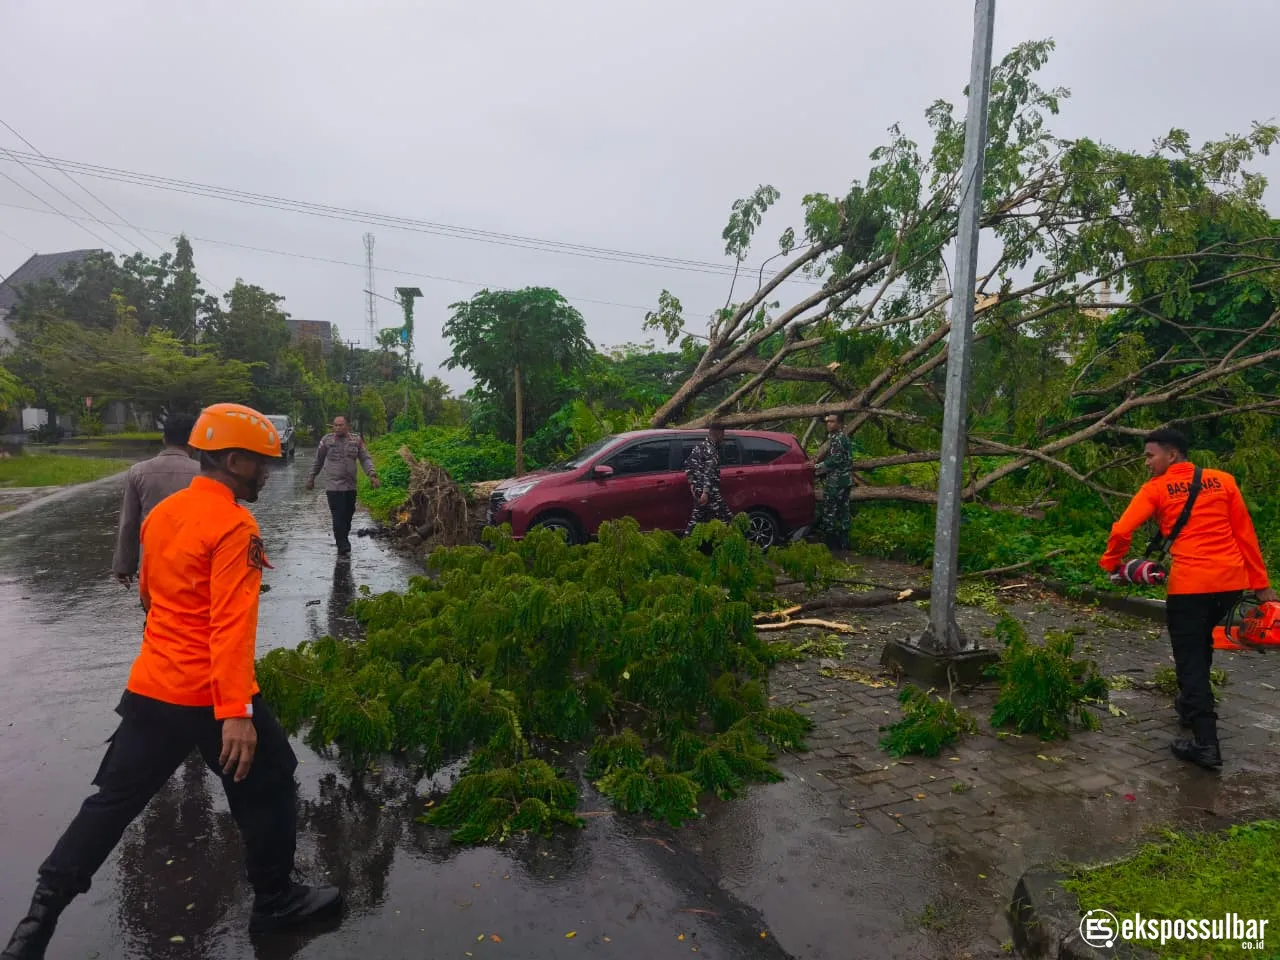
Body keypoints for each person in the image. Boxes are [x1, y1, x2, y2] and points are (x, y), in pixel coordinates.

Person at [1, 403, 340, 960]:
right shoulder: (234, 524)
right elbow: (231, 626)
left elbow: (150, 596)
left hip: (153, 685)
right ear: (234, 460)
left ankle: (39, 918)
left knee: (110, 803)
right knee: (272, 779)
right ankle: (275, 900)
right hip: (210, 692)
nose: (266, 474)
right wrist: (236, 712)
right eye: (261, 464)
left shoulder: (166, 515)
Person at [1099, 427, 1275, 771]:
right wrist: (1261, 584)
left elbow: (1122, 530)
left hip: (1190, 588)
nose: (1146, 463)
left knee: (1191, 660)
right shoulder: (1223, 481)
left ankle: (1206, 744)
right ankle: (1186, 704)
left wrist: (1111, 563)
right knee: (1200, 648)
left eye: (1150, 456)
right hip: (1230, 586)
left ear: (1172, 455)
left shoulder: (1156, 488)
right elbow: (1244, 533)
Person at [111, 414, 200, 587]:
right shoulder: (203, 473)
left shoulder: (138, 472)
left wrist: (124, 566)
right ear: (193, 441)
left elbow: (129, 524)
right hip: (194, 566)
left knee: (156, 612)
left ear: (163, 438)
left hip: (152, 565)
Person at [306, 415, 380, 556]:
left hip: (350, 486)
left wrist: (372, 475)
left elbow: (365, 458)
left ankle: (343, 537)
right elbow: (318, 460)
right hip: (334, 487)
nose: (338, 428)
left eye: (341, 425)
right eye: (335, 425)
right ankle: (342, 544)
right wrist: (312, 477)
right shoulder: (327, 441)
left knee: (348, 513)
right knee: (338, 515)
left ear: (348, 426)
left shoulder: (356, 440)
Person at [683, 424, 733, 536]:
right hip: (710, 493)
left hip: (698, 491)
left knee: (696, 520)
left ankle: (686, 545)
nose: (723, 436)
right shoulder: (711, 451)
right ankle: (730, 545)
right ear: (718, 433)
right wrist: (705, 492)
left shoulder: (699, 447)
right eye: (723, 434)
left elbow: (687, 465)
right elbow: (708, 473)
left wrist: (692, 484)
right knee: (726, 517)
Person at [815, 413, 854, 551]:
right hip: (845, 480)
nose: (828, 424)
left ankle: (831, 546)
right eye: (827, 422)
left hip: (837, 481)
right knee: (843, 510)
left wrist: (817, 466)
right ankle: (844, 544)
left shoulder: (838, 438)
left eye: (832, 421)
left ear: (839, 423)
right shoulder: (841, 437)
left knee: (830, 510)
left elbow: (835, 460)